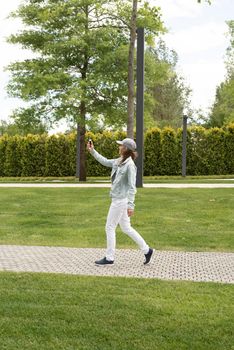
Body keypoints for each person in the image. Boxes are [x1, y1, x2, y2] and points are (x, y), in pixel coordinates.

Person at [87, 137, 154, 266]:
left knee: (109, 227)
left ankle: (109, 258)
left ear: (126, 149)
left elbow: (131, 187)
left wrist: (131, 205)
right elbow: (105, 161)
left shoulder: (130, 166)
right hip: (119, 199)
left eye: (121, 146)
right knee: (126, 228)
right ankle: (147, 250)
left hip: (120, 201)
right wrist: (92, 151)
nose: (119, 147)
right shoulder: (119, 161)